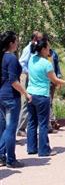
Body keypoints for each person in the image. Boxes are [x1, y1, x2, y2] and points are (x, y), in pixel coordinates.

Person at [26, 38, 65, 157]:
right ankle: (44, 150)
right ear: (43, 49)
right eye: (48, 47)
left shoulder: (31, 59)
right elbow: (55, 80)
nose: (50, 49)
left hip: (30, 94)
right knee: (43, 123)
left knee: (32, 122)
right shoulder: (46, 64)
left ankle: (31, 148)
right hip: (42, 95)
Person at [0, 31, 32, 168]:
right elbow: (13, 80)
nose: (18, 44)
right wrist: (25, 93)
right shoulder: (11, 58)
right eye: (16, 41)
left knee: (2, 128)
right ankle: (11, 159)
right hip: (11, 97)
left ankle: (1, 155)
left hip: (1, 95)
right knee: (10, 129)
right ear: (11, 43)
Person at [17, 31, 43, 137]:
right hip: (31, 78)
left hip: (39, 78)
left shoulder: (38, 49)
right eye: (40, 39)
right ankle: (21, 128)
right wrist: (29, 71)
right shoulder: (28, 49)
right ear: (35, 39)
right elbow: (22, 63)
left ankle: (47, 125)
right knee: (28, 101)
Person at [47, 46, 62, 131]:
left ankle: (51, 122)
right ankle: (52, 121)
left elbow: (57, 67)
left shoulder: (54, 54)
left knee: (50, 101)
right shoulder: (41, 56)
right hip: (45, 82)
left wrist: (58, 79)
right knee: (48, 102)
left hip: (53, 81)